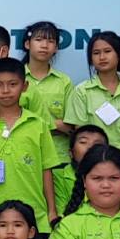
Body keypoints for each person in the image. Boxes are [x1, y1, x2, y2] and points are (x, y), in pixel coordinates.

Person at [0, 57, 60, 238]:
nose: (5, 91)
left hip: (34, 215)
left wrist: (51, 211)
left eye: (13, 84)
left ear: (25, 86)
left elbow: (46, 170)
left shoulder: (38, 125)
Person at [20, 20, 76, 210]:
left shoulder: (64, 81)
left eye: (51, 41)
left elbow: (71, 125)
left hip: (58, 157)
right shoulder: (15, 78)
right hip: (23, 155)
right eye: (39, 40)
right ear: (27, 44)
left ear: (57, 48)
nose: (44, 45)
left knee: (57, 211)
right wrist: (54, 125)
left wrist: (35, 124)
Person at [64, 31, 120, 150]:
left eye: (107, 51)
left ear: (119, 54)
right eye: (96, 53)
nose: (102, 57)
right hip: (92, 159)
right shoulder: (81, 91)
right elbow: (81, 136)